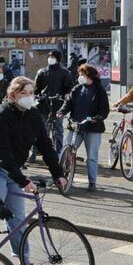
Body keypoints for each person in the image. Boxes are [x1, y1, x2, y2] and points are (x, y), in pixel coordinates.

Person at [0, 77, 68, 265]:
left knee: (19, 219)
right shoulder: (0, 115)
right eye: (25, 93)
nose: (29, 97)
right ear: (13, 95)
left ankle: (25, 263)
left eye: (32, 92)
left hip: (14, 169)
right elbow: (1, 153)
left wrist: (58, 173)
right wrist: (23, 181)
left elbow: (45, 145)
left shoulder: (33, 114)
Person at [58, 64, 108, 192]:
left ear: (89, 76)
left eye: (82, 75)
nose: (80, 77)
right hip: (75, 125)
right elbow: (68, 103)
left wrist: (97, 118)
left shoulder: (99, 91)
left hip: (92, 128)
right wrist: (62, 112)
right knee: (66, 150)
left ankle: (92, 182)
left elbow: (104, 110)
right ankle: (62, 177)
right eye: (79, 74)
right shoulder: (77, 88)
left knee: (91, 156)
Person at [33, 49, 74, 155]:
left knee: (58, 130)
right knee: (41, 128)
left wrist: (66, 95)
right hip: (43, 104)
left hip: (58, 105)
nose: (50, 59)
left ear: (58, 59)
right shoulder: (42, 71)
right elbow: (36, 88)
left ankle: (59, 152)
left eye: (53, 57)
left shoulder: (65, 73)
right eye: (49, 57)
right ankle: (37, 151)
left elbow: (69, 87)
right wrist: (36, 96)